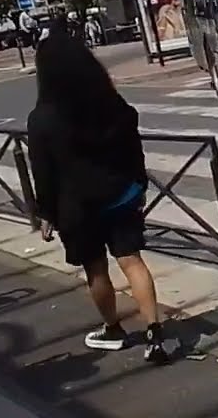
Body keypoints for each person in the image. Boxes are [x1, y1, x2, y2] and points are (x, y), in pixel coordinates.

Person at [27, 19, 169, 364]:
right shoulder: (110, 104)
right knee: (132, 261)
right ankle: (154, 332)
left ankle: (113, 329)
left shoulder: (42, 118)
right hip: (121, 194)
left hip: (77, 208)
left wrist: (45, 212)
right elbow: (132, 141)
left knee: (96, 270)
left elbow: (43, 173)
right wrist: (138, 180)